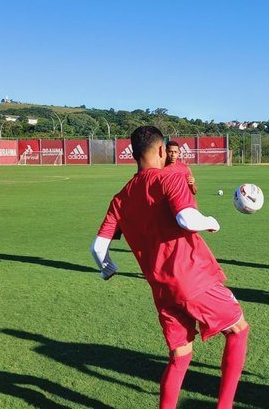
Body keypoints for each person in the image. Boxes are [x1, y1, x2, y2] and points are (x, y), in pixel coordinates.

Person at [90, 126, 248, 409]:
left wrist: (107, 267)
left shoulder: (120, 198)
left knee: (180, 355)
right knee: (238, 330)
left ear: (133, 154)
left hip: (162, 291)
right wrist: (212, 221)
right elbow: (187, 219)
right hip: (193, 280)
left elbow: (98, 248)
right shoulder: (167, 179)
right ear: (162, 150)